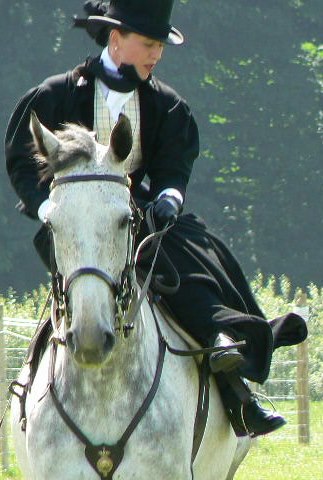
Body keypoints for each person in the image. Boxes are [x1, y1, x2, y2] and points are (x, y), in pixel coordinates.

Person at [5, 0, 307, 438]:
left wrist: (170, 194)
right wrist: (43, 207)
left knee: (200, 259)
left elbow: (173, 164)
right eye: (148, 43)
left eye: (159, 46)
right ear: (116, 39)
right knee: (72, 290)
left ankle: (233, 371)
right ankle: (29, 395)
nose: (156, 54)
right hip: (76, 221)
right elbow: (21, 163)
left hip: (140, 216)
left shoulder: (165, 103)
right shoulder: (56, 94)